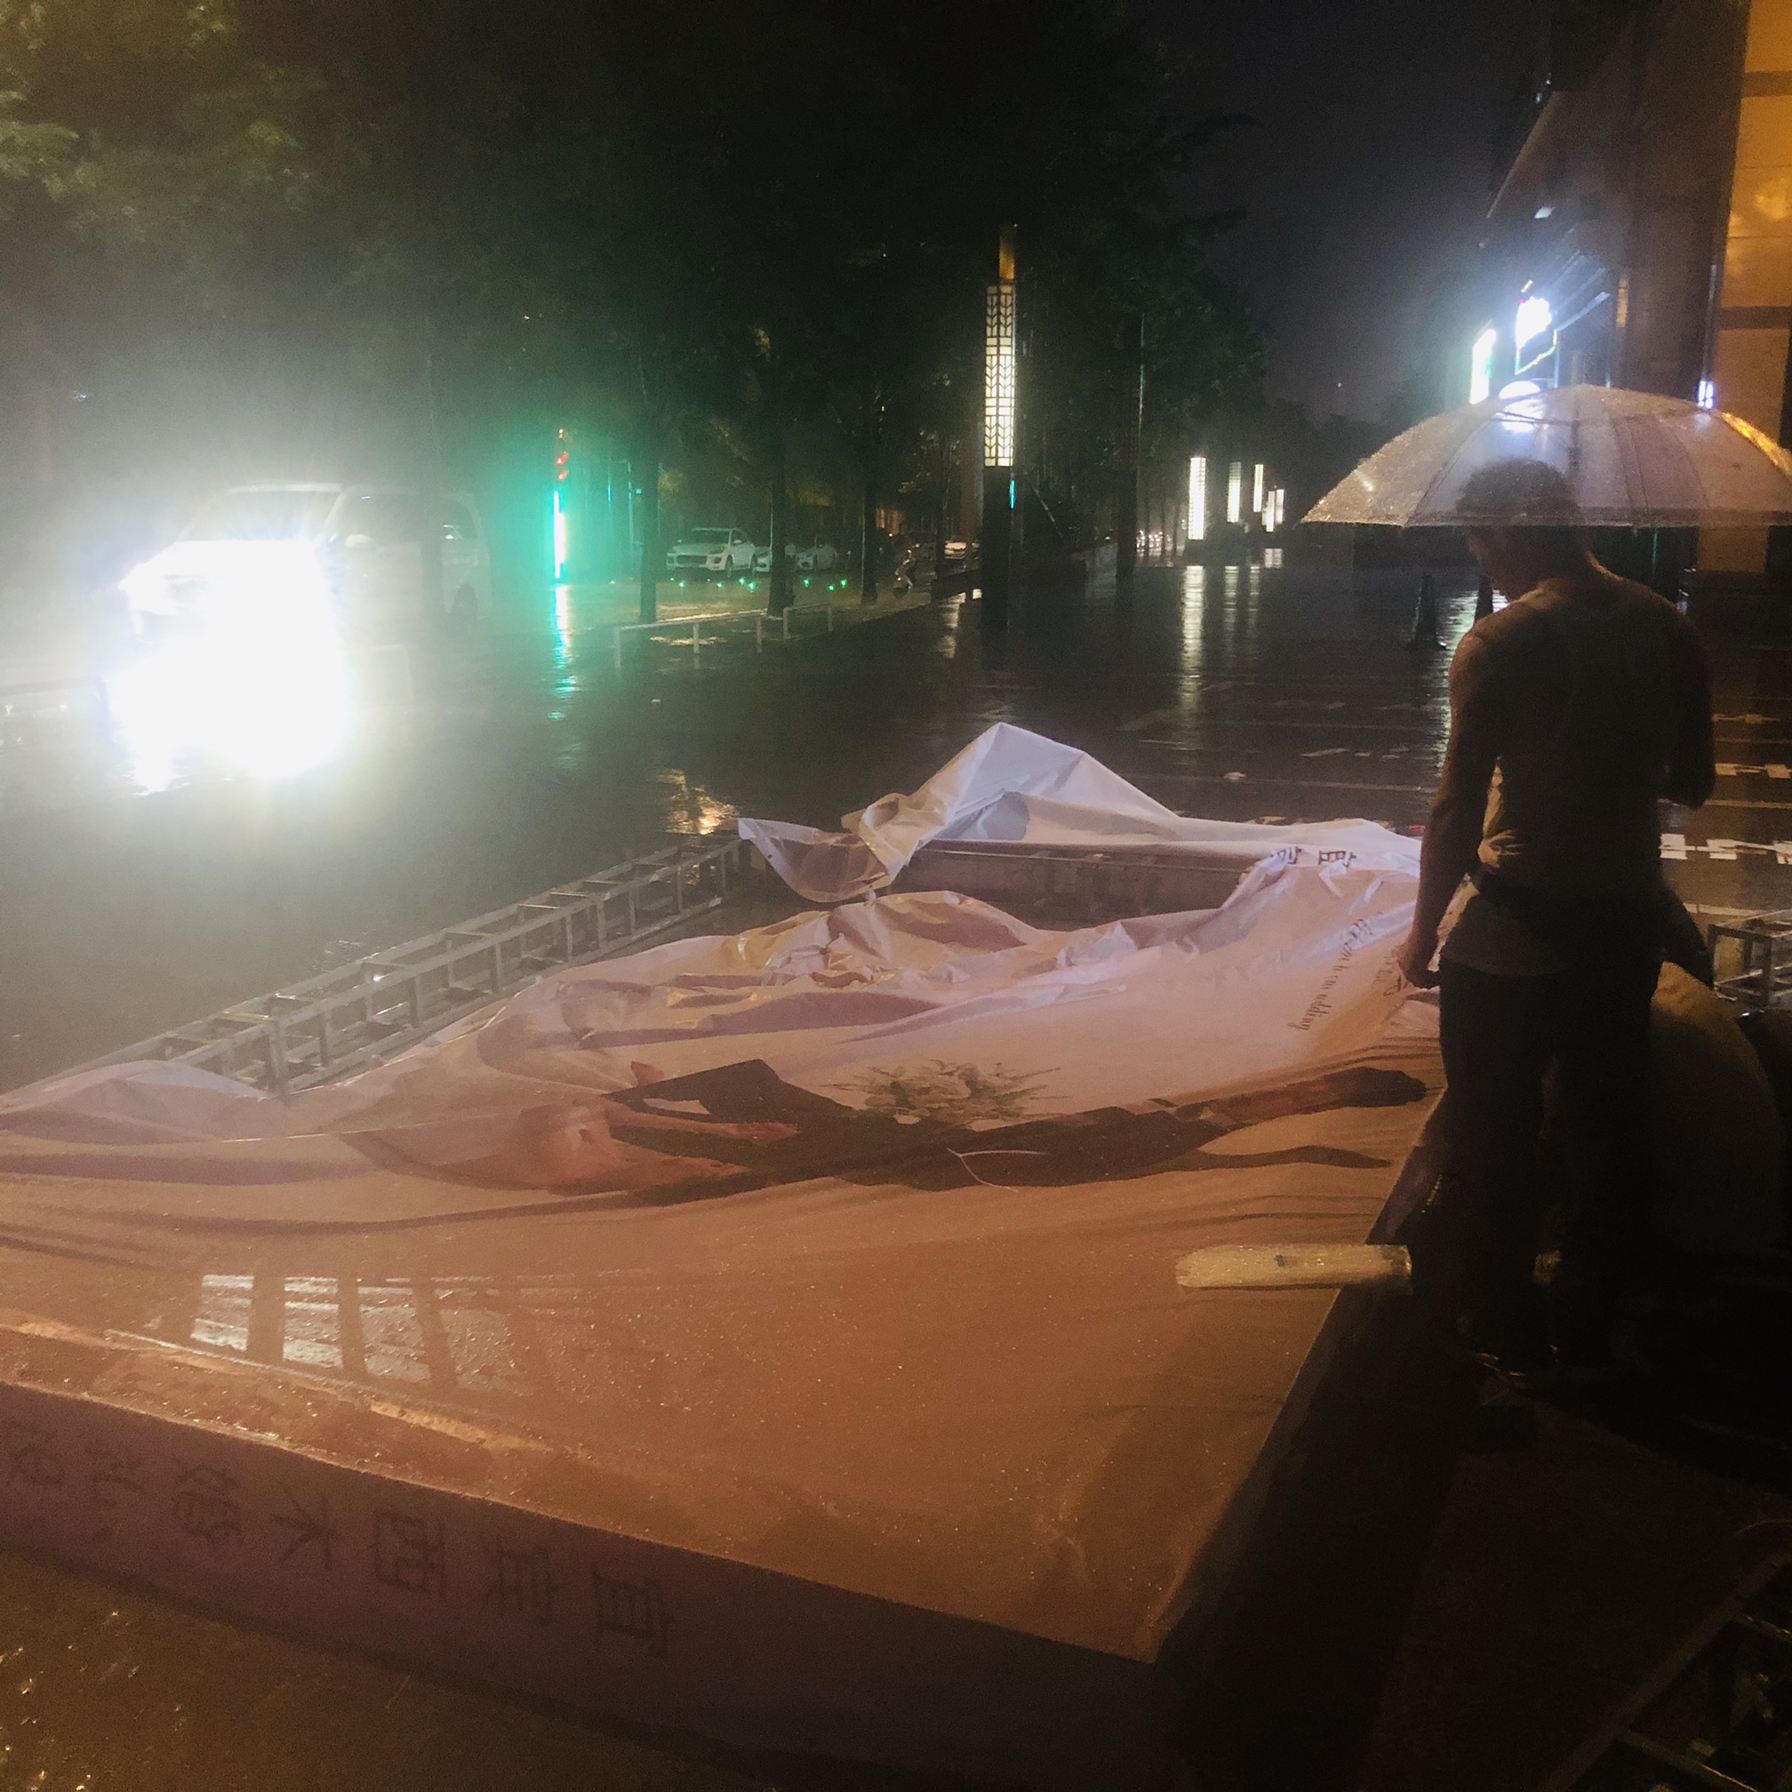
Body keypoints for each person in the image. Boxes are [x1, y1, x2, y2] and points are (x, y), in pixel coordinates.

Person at [1396, 458, 1715, 1375]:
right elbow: (1695, 781)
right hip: (1624, 921)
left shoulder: (1501, 641)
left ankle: (1502, 1322)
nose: (1485, 566)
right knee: (1606, 1126)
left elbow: (1456, 809)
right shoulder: (1670, 628)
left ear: (1506, 529)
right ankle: (1590, 1313)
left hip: (1516, 931)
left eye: (1480, 545)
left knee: (1494, 1134)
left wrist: (1422, 933)